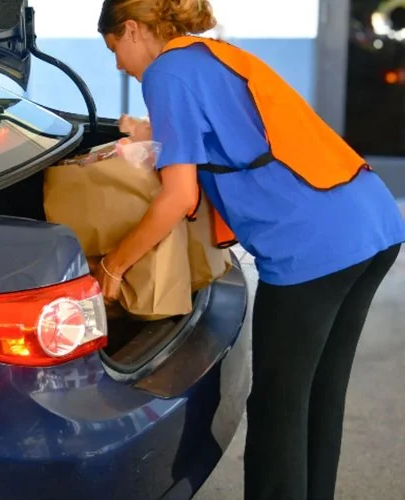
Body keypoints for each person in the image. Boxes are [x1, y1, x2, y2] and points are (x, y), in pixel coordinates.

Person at [92, 0, 405, 499]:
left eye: (114, 49)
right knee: (317, 395)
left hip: (314, 244)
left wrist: (114, 265)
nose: (117, 64)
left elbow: (180, 196)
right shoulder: (211, 54)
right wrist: (148, 133)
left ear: (132, 29)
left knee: (278, 408)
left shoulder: (165, 72)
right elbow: (231, 134)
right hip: (369, 217)